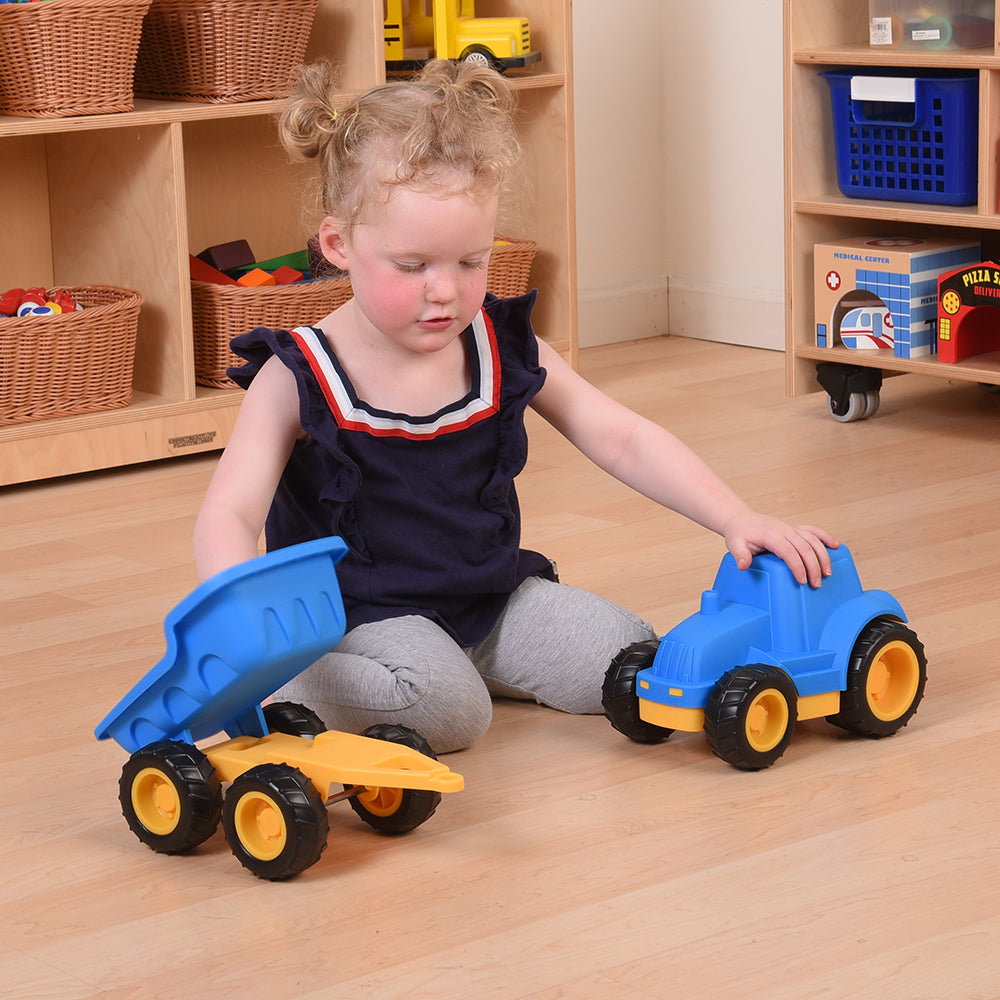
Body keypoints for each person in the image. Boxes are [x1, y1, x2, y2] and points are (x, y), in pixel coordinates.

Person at [193, 59, 837, 753]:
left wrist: (735, 516)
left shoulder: (498, 342)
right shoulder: (298, 374)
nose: (446, 292)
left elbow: (618, 434)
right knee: (448, 712)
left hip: (490, 599)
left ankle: (464, 667)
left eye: (471, 261)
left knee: (641, 661)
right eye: (413, 267)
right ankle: (282, 682)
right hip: (363, 615)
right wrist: (241, 612)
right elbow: (231, 509)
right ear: (338, 245)